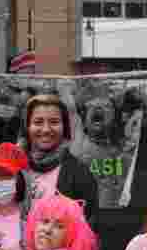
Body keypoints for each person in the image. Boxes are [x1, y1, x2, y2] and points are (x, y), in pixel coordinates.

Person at [21, 94, 99, 226]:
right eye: (38, 122)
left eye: (54, 122)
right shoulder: (14, 167)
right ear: (27, 127)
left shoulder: (79, 174)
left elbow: (87, 229)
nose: (46, 129)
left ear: (65, 127)